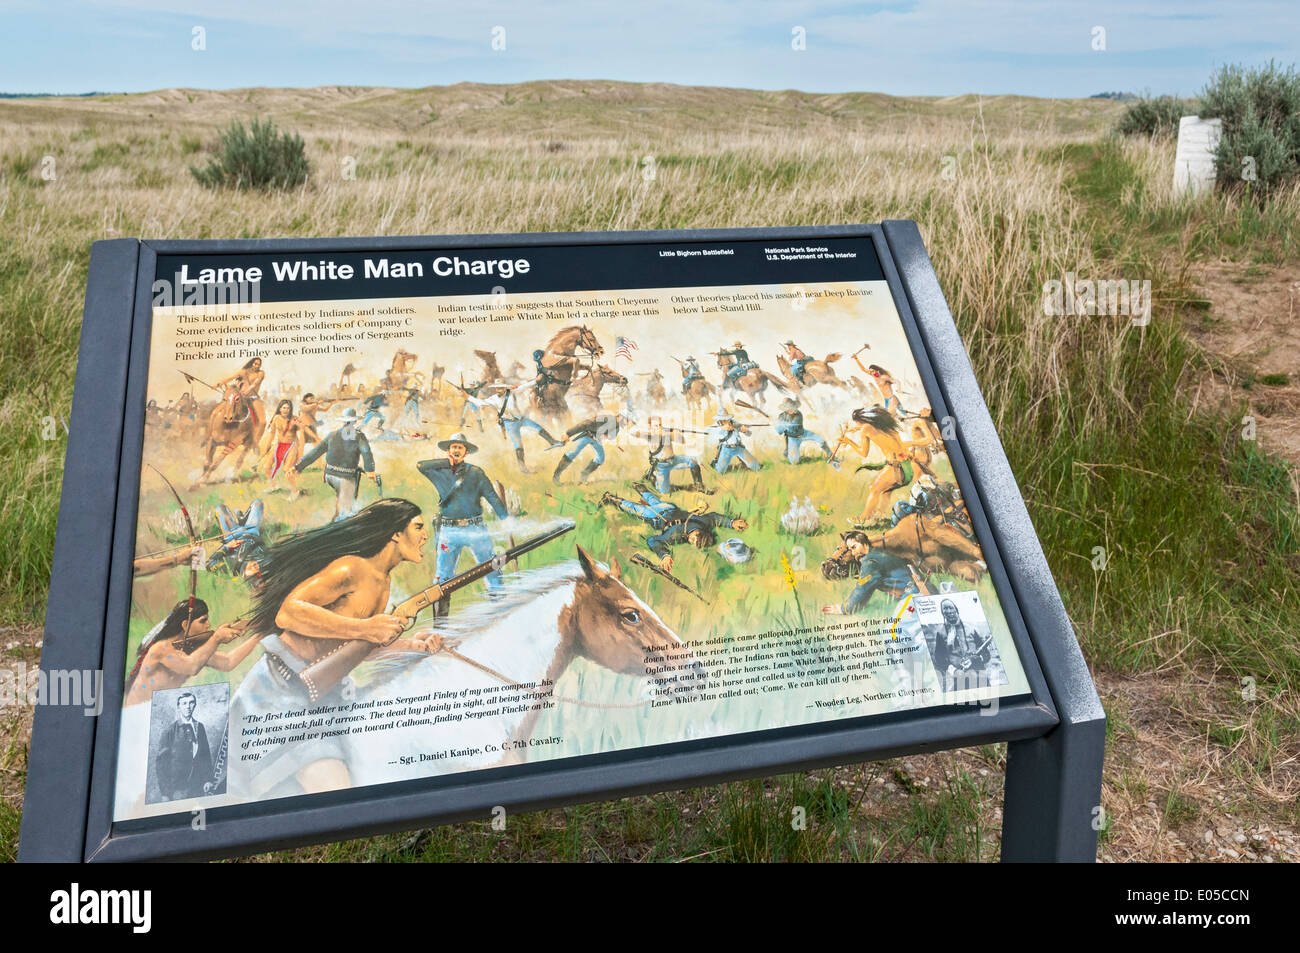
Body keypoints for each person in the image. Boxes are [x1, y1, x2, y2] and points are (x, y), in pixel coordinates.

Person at [228, 499, 441, 798]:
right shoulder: (350, 568)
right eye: (418, 527)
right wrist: (366, 628)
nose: (425, 535)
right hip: (282, 693)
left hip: (325, 695)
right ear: (395, 533)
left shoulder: (383, 581)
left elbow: (356, 646)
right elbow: (287, 613)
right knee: (337, 791)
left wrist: (410, 645)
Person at [416, 433, 510, 600]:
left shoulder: (476, 472)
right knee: (442, 577)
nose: (456, 450)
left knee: (491, 567)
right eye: (453, 447)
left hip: (475, 528)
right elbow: (420, 465)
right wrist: (447, 462)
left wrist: (505, 518)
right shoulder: (439, 471)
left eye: (460, 447)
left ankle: (500, 604)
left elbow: (491, 496)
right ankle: (440, 618)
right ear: (448, 450)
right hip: (448, 531)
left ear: (466, 452)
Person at [125, 599, 262, 706]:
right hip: (139, 713)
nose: (208, 624)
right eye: (203, 620)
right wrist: (216, 638)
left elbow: (227, 662)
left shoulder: (193, 648)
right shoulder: (161, 648)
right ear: (185, 625)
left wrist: (260, 634)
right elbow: (191, 666)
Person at [602, 484, 747, 572]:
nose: (691, 542)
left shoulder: (703, 522)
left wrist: (732, 523)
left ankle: (639, 487)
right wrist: (664, 555)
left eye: (695, 544)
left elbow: (715, 517)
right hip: (655, 516)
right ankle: (610, 498)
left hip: (668, 507)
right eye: (694, 541)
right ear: (697, 534)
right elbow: (653, 541)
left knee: (654, 500)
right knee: (635, 508)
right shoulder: (674, 535)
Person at [293, 407, 377, 521]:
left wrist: (298, 466)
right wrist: (370, 470)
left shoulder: (332, 435)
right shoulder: (359, 436)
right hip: (345, 478)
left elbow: (316, 452)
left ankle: (335, 520)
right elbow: (366, 452)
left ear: (343, 421)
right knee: (346, 514)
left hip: (329, 476)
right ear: (355, 421)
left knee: (340, 505)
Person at [820, 532, 917, 615]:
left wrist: (843, 609)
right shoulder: (876, 553)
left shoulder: (870, 563)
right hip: (915, 591)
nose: (853, 553)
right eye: (850, 550)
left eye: (854, 547)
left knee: (894, 631)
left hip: (912, 596)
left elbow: (862, 591)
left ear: (865, 543)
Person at [155, 692, 214, 800]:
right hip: (177, 789)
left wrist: (208, 779)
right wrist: (165, 793)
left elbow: (205, 755)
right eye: (184, 703)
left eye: (191, 703)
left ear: (195, 705)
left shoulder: (200, 727)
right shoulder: (169, 731)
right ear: (179, 707)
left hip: (198, 786)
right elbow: (161, 764)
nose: (188, 707)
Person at [494, 383, 561, 473]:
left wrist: (535, 381)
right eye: (498, 388)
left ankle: (552, 441)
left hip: (520, 418)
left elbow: (524, 386)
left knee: (537, 427)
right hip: (510, 423)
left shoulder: (512, 393)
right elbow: (479, 402)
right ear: (496, 390)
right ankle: (523, 468)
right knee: (518, 445)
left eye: (501, 388)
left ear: (505, 388)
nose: (499, 390)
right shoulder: (493, 399)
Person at [554, 411, 632, 484]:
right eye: (627, 421)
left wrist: (606, 436)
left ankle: (583, 477)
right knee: (573, 453)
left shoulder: (617, 427)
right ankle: (556, 476)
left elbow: (612, 436)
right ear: (622, 417)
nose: (627, 423)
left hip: (596, 440)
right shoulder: (606, 418)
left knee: (600, 459)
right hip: (587, 436)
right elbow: (585, 424)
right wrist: (568, 434)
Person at [633, 416, 705, 492]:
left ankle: (699, 486)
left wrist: (676, 433)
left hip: (674, 460)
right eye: (656, 425)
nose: (659, 427)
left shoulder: (666, 434)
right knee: (664, 491)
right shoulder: (649, 436)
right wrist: (652, 432)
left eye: (660, 425)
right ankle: (653, 478)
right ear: (650, 426)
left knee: (693, 461)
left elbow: (682, 441)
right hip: (661, 466)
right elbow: (633, 433)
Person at [932, 598, 989, 692]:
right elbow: (939, 657)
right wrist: (954, 670)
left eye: (950, 608)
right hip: (960, 678)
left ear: (956, 609)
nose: (949, 611)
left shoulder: (971, 628)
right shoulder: (941, 633)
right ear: (943, 613)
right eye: (945, 609)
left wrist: (975, 660)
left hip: (979, 674)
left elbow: (986, 654)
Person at [258, 398, 303, 499]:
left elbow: (301, 434)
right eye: (284, 408)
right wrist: (267, 446)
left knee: (287, 469)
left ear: (290, 409)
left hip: (291, 445)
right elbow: (272, 433)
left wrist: (299, 452)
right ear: (280, 408)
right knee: (266, 467)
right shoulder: (276, 418)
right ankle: (274, 485)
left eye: (288, 408)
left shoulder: (295, 419)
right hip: (279, 444)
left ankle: (295, 491)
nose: (286, 410)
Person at [775, 397, 834, 465]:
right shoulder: (781, 416)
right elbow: (779, 431)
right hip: (793, 439)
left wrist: (783, 424)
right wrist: (777, 425)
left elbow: (794, 426)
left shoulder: (798, 414)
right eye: (789, 408)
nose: (792, 409)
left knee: (821, 440)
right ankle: (788, 453)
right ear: (786, 409)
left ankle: (831, 456)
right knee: (794, 462)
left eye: (792, 407)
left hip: (803, 433)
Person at [216, 357, 267, 432]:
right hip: (240, 397)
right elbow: (231, 377)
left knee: (263, 422)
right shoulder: (244, 372)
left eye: (259, 365)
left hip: (253, 398)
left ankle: (256, 439)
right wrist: (220, 383)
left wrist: (248, 390)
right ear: (251, 363)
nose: (257, 366)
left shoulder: (260, 373)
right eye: (255, 364)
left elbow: (255, 384)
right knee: (217, 412)